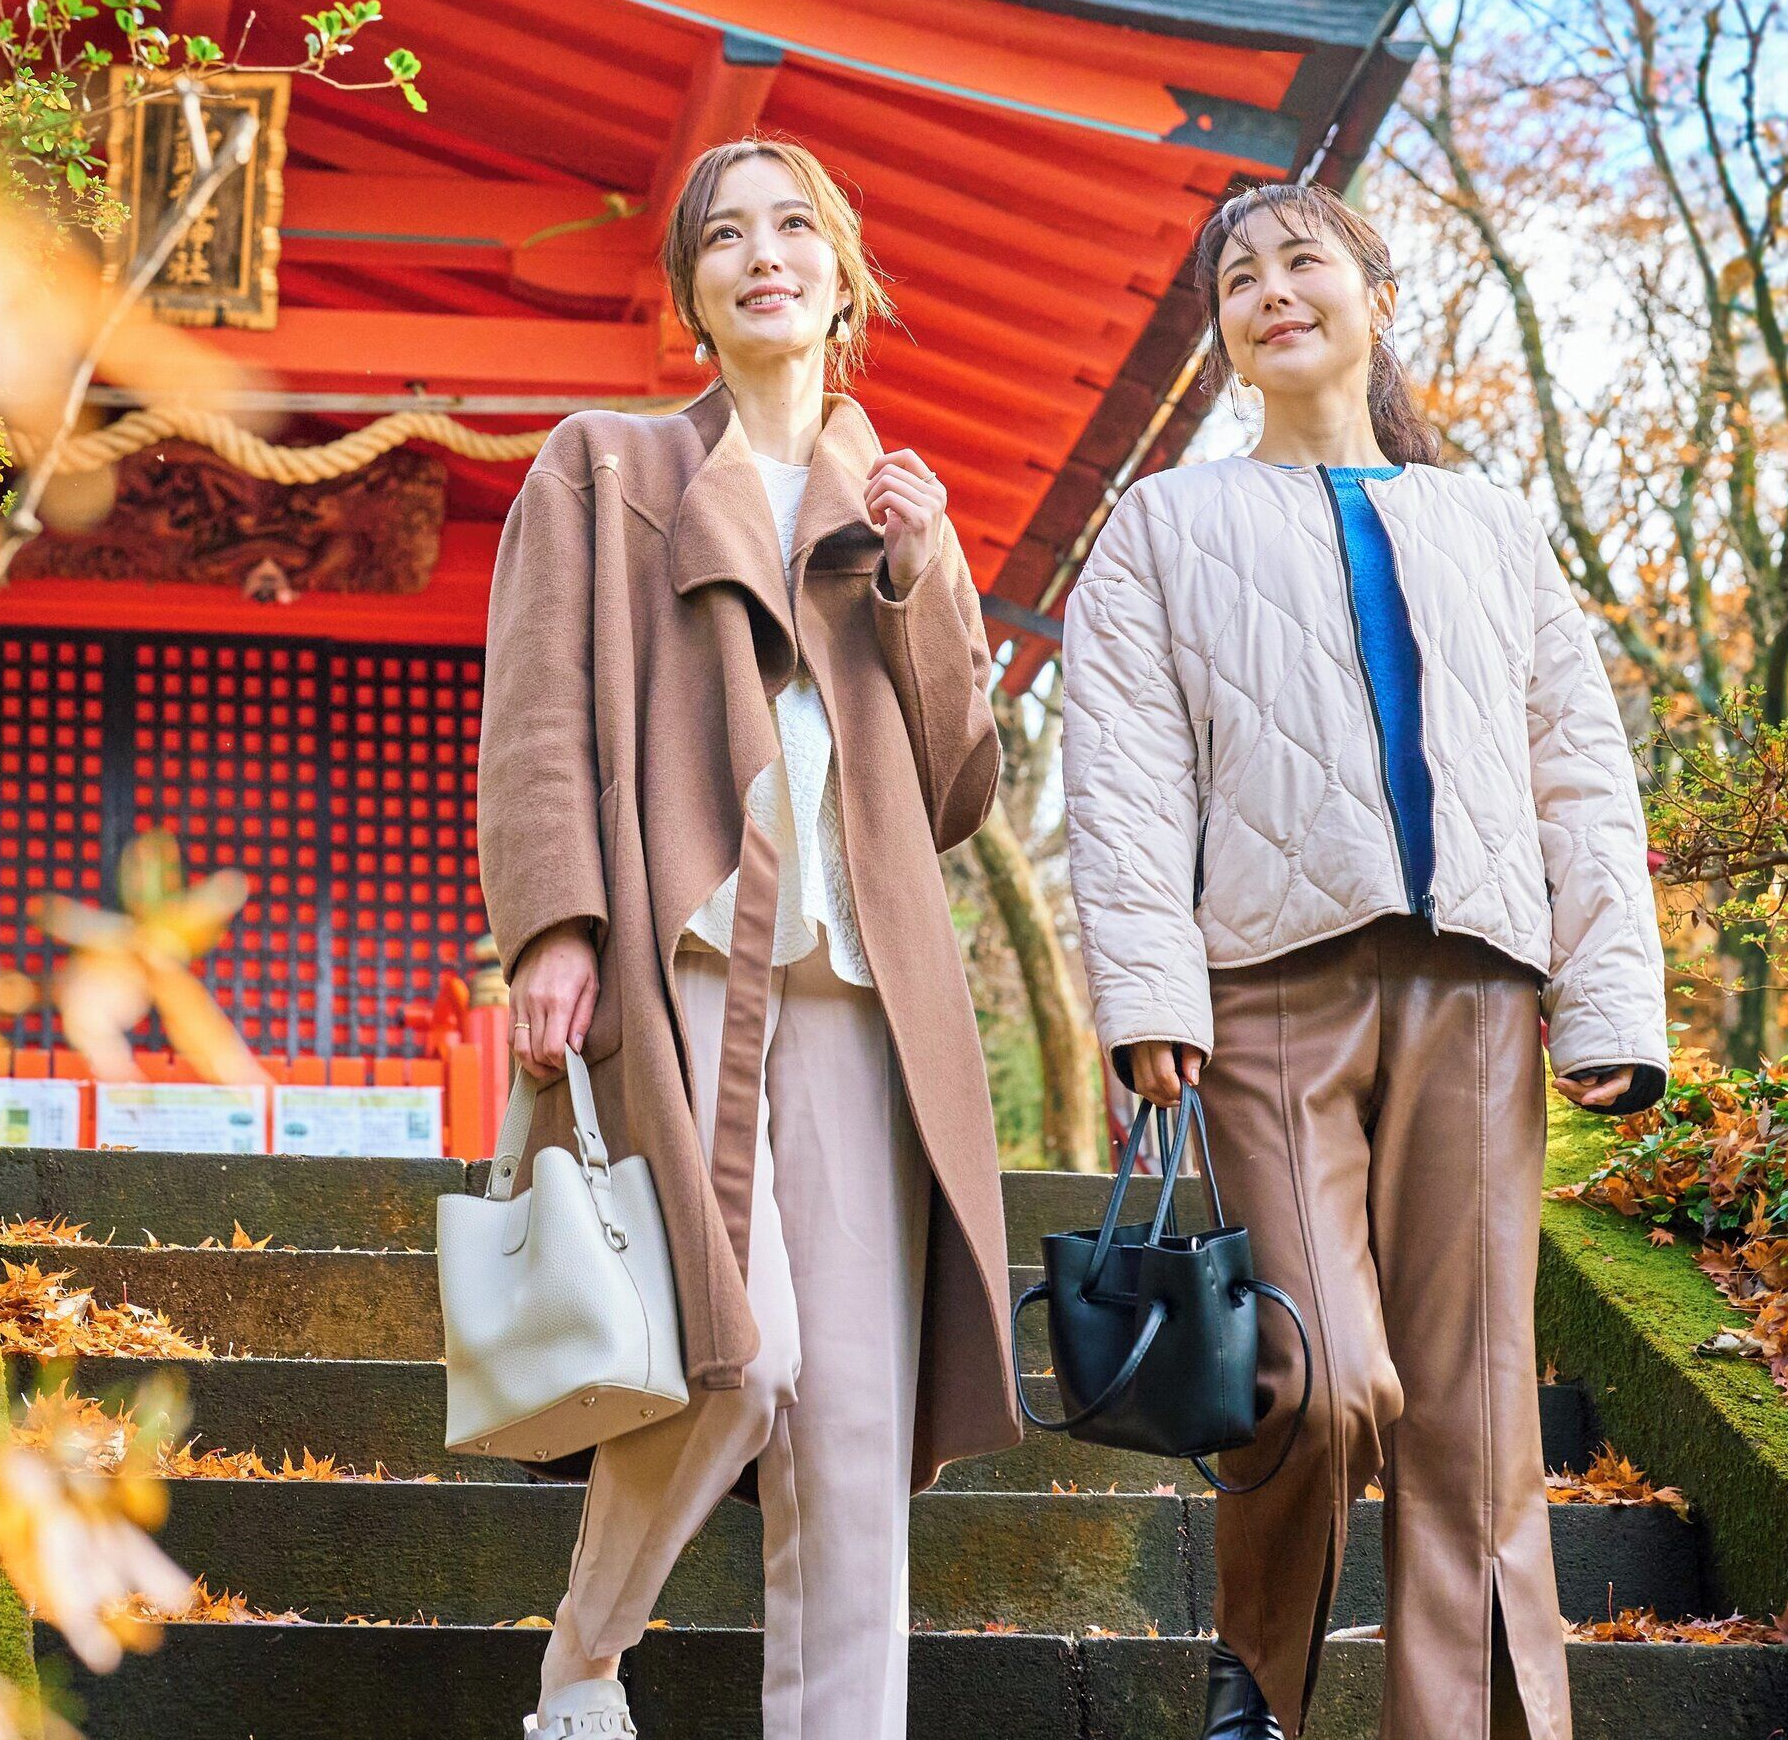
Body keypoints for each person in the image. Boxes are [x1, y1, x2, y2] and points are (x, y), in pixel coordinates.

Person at [1060, 181, 1672, 1740]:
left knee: (1476, 1423)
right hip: (1264, 993)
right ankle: (1258, 1677)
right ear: (1223, 332)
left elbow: (1579, 773)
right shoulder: (1164, 525)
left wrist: (1608, 1000)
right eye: (1239, 276)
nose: (1273, 290)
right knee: (1322, 1378)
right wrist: (1148, 1003)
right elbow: (1122, 779)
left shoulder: (1491, 522)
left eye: (1303, 261)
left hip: (1477, 993)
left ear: (1374, 294)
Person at [477, 136, 1019, 1740]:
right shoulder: (606, 469)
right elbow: (537, 718)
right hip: (684, 961)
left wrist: (921, 582)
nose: (763, 254)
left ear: (845, 281)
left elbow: (957, 789)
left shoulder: (894, 509)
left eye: (797, 229)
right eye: (726, 238)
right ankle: (584, 1659)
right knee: (740, 1351)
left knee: (854, 1418)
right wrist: (552, 926)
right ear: (694, 294)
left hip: (862, 993)